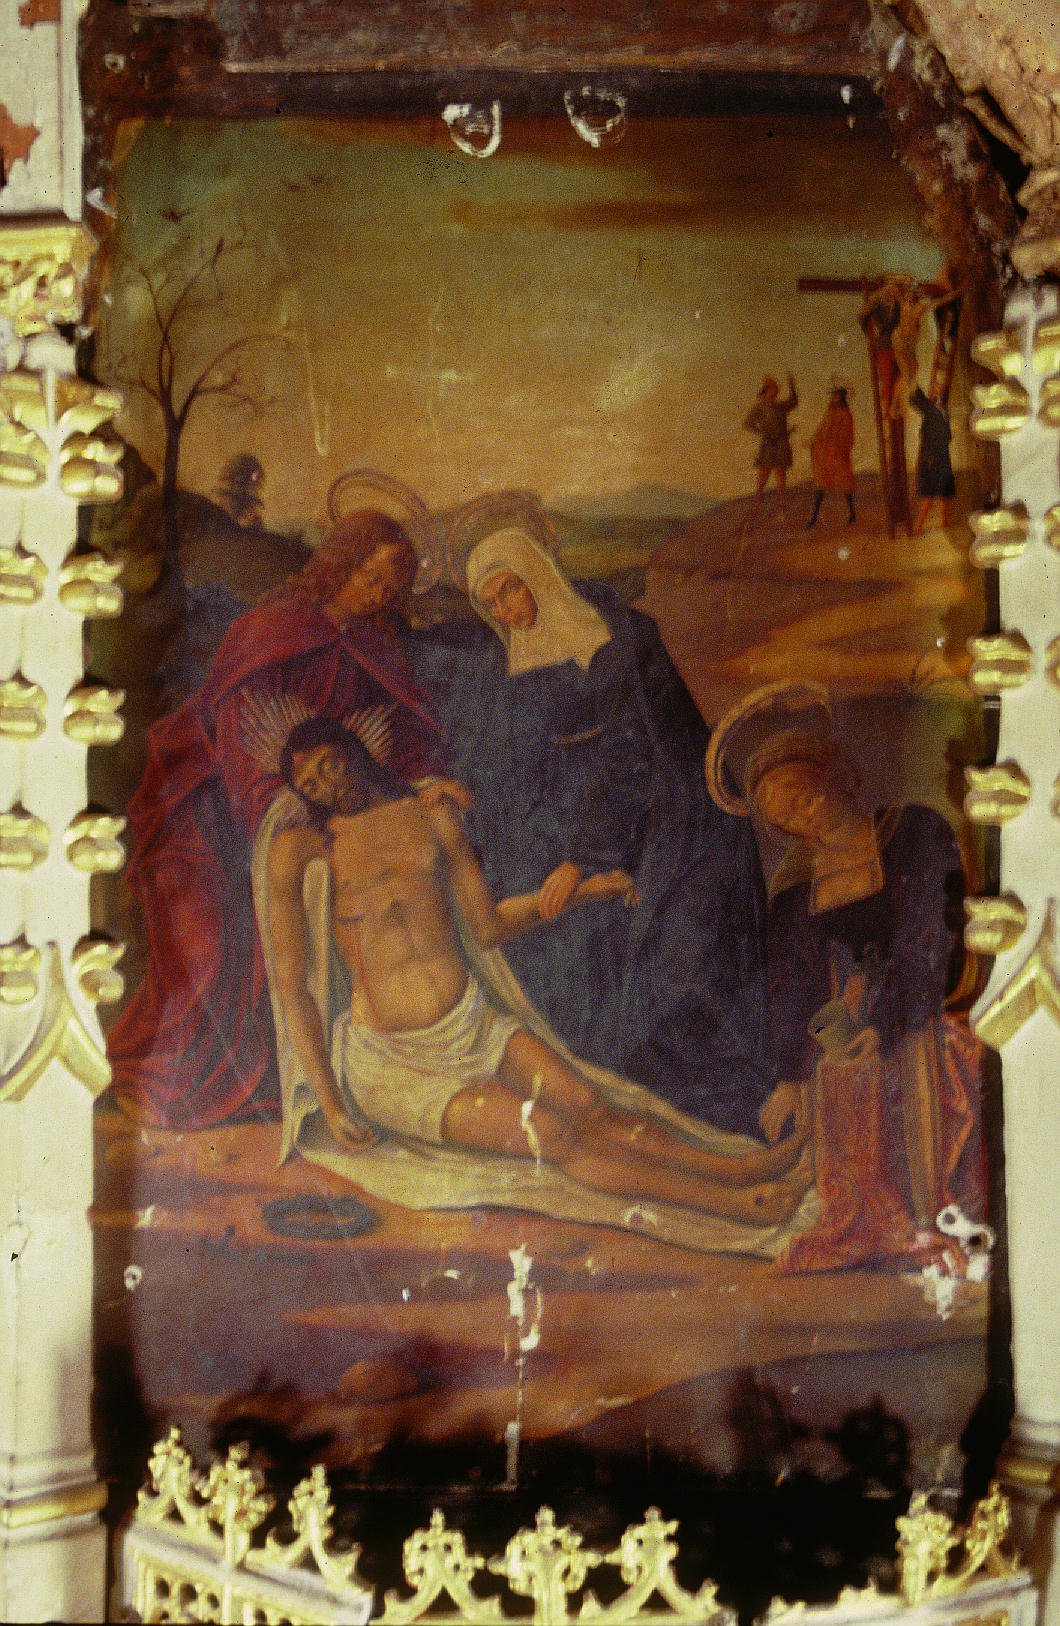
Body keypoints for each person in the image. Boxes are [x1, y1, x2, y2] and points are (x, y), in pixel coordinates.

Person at [264, 717, 809, 1227]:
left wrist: (583, 890)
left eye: (331, 764)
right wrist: (330, 1102)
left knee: (590, 1106)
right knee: (553, 1135)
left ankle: (739, 1169)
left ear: (354, 750)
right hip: (395, 1063)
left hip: (471, 1025)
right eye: (311, 784)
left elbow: (489, 926)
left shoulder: (429, 815)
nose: (328, 786)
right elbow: (293, 990)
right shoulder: (301, 850)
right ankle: (730, 1203)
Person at [409, 524, 779, 1140]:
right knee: (601, 991)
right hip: (602, 825)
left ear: (538, 574)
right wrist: (463, 793)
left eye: (511, 590)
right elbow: (529, 764)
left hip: (680, 817)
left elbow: (646, 749)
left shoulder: (626, 635)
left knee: (690, 966)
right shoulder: (519, 666)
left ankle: (747, 1110)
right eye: (493, 604)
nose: (508, 611)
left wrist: (582, 858)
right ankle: (684, 1128)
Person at [107, 509, 455, 1128]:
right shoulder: (270, 627)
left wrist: (422, 784)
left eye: (390, 586)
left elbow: (397, 740)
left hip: (323, 805)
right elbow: (235, 735)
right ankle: (163, 1082)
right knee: (208, 937)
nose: (379, 594)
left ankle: (324, 1078)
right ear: (341, 565)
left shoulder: (377, 645)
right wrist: (282, 808)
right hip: (215, 803)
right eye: (370, 576)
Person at [706, 683, 984, 1273]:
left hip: (921, 1006)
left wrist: (883, 1022)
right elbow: (792, 987)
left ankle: (916, 1220)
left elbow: (931, 939)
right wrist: (791, 1075)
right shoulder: (795, 886)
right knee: (835, 1073)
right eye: (783, 818)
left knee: (880, 1069)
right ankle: (862, 1224)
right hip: (842, 1026)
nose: (801, 821)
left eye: (804, 799)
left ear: (836, 779)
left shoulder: (913, 832)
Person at [740, 373, 798, 536]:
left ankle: (783, 515)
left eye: (776, 389)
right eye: (773, 389)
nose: (775, 392)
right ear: (766, 391)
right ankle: (752, 519)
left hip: (781, 445)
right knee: (761, 483)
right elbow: (748, 423)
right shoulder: (760, 407)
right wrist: (763, 432)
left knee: (781, 481)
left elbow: (793, 402)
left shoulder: (780, 406)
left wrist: (792, 385)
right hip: (768, 446)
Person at [910, 385, 956, 534]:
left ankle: (919, 527)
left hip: (932, 458)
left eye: (936, 390)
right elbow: (948, 436)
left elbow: (917, 400)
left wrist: (912, 385)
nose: (933, 391)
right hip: (940, 457)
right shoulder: (942, 411)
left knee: (929, 494)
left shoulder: (934, 410)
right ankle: (942, 522)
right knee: (939, 492)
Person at [807, 387, 855, 528]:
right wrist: (813, 442)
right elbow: (821, 430)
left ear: (841, 397)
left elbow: (847, 435)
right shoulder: (829, 413)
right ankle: (814, 517)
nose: (833, 397)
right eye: (832, 395)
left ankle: (852, 514)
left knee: (845, 484)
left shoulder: (845, 414)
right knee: (821, 485)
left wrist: (837, 447)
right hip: (824, 454)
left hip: (838, 454)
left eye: (836, 395)